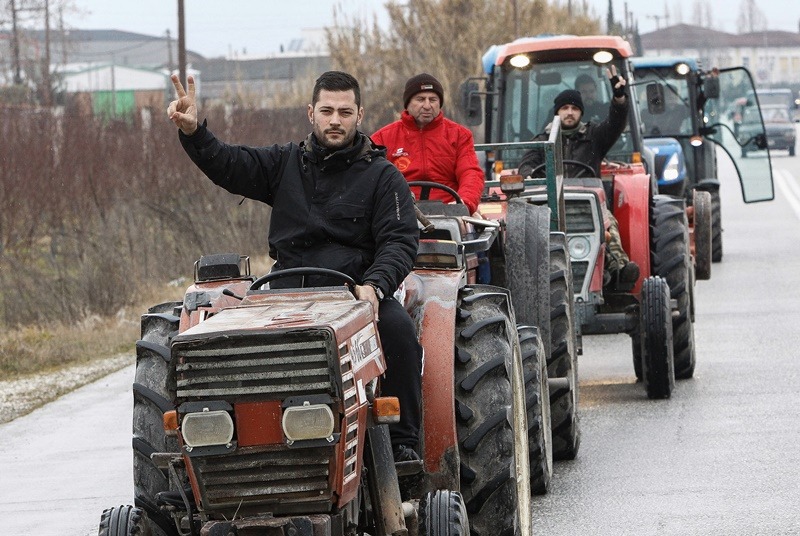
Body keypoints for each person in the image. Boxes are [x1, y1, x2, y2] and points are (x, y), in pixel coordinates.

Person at [168, 70, 423, 463]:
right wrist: (193, 134)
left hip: (353, 293)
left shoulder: (383, 178)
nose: (335, 119)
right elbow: (230, 164)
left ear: (360, 115)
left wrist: (374, 285)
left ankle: (404, 442)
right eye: (326, 110)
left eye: (344, 111)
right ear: (310, 113)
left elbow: (399, 241)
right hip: (286, 294)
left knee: (399, 329)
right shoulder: (284, 163)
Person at [518, 66, 640, 289]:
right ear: (557, 113)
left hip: (588, 199)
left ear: (581, 113)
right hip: (551, 203)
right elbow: (526, 167)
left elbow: (615, 123)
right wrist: (530, 178)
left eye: (574, 108)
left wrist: (619, 99)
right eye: (564, 108)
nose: (570, 112)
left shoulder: (594, 137)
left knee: (608, 224)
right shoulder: (542, 142)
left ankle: (616, 268)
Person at [372, 73, 485, 215]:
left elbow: (470, 172)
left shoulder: (460, 135)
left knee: (479, 227)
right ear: (408, 103)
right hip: (399, 211)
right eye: (420, 99)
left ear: (440, 103)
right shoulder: (382, 138)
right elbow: (371, 179)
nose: (427, 106)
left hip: (449, 210)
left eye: (433, 100)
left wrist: (464, 203)